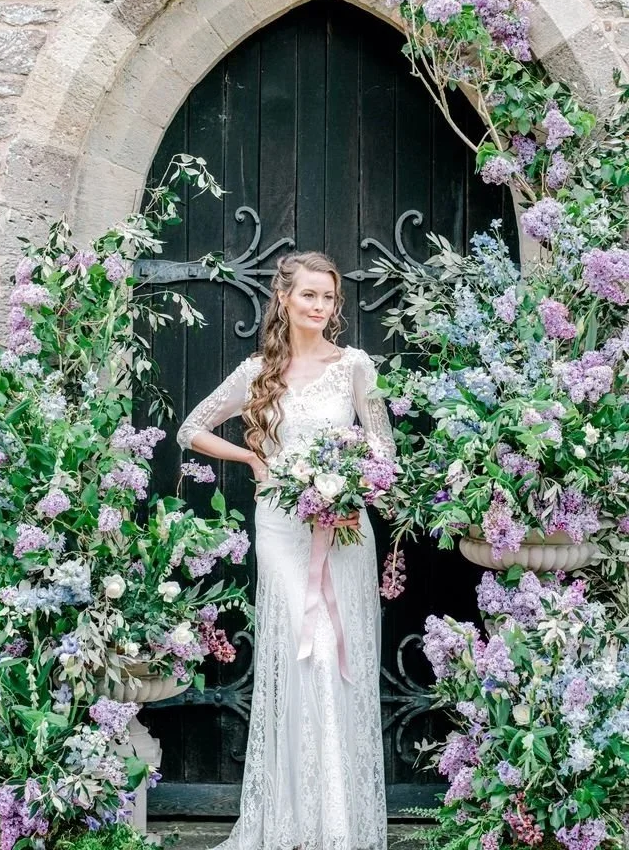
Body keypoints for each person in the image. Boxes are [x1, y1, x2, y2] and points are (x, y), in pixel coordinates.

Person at [176, 250, 396, 850]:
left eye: (328, 298)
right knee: (299, 657)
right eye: (309, 296)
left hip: (342, 526)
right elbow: (191, 426)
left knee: (334, 659)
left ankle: (337, 824)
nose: (320, 307)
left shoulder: (355, 365)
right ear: (284, 299)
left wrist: (357, 487)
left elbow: (384, 454)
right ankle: (290, 818)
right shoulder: (257, 372)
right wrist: (251, 457)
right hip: (280, 527)